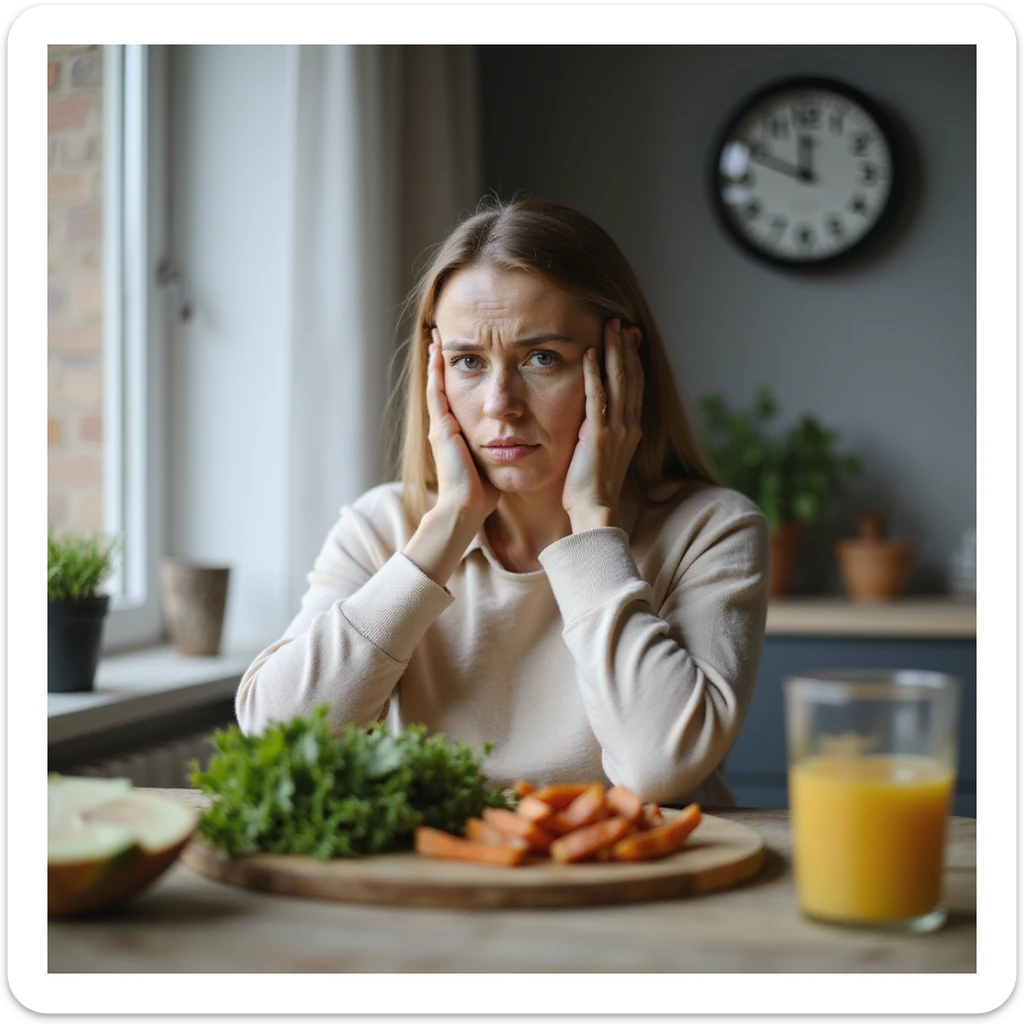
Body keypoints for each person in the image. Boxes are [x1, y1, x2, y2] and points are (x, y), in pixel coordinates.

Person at [236, 197, 769, 807]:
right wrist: (447, 528)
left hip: (637, 888)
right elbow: (278, 736)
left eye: (542, 358)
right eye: (468, 361)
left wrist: (592, 527)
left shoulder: (712, 530)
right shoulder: (382, 527)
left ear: (625, 368)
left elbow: (659, 769)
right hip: (448, 883)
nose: (500, 404)